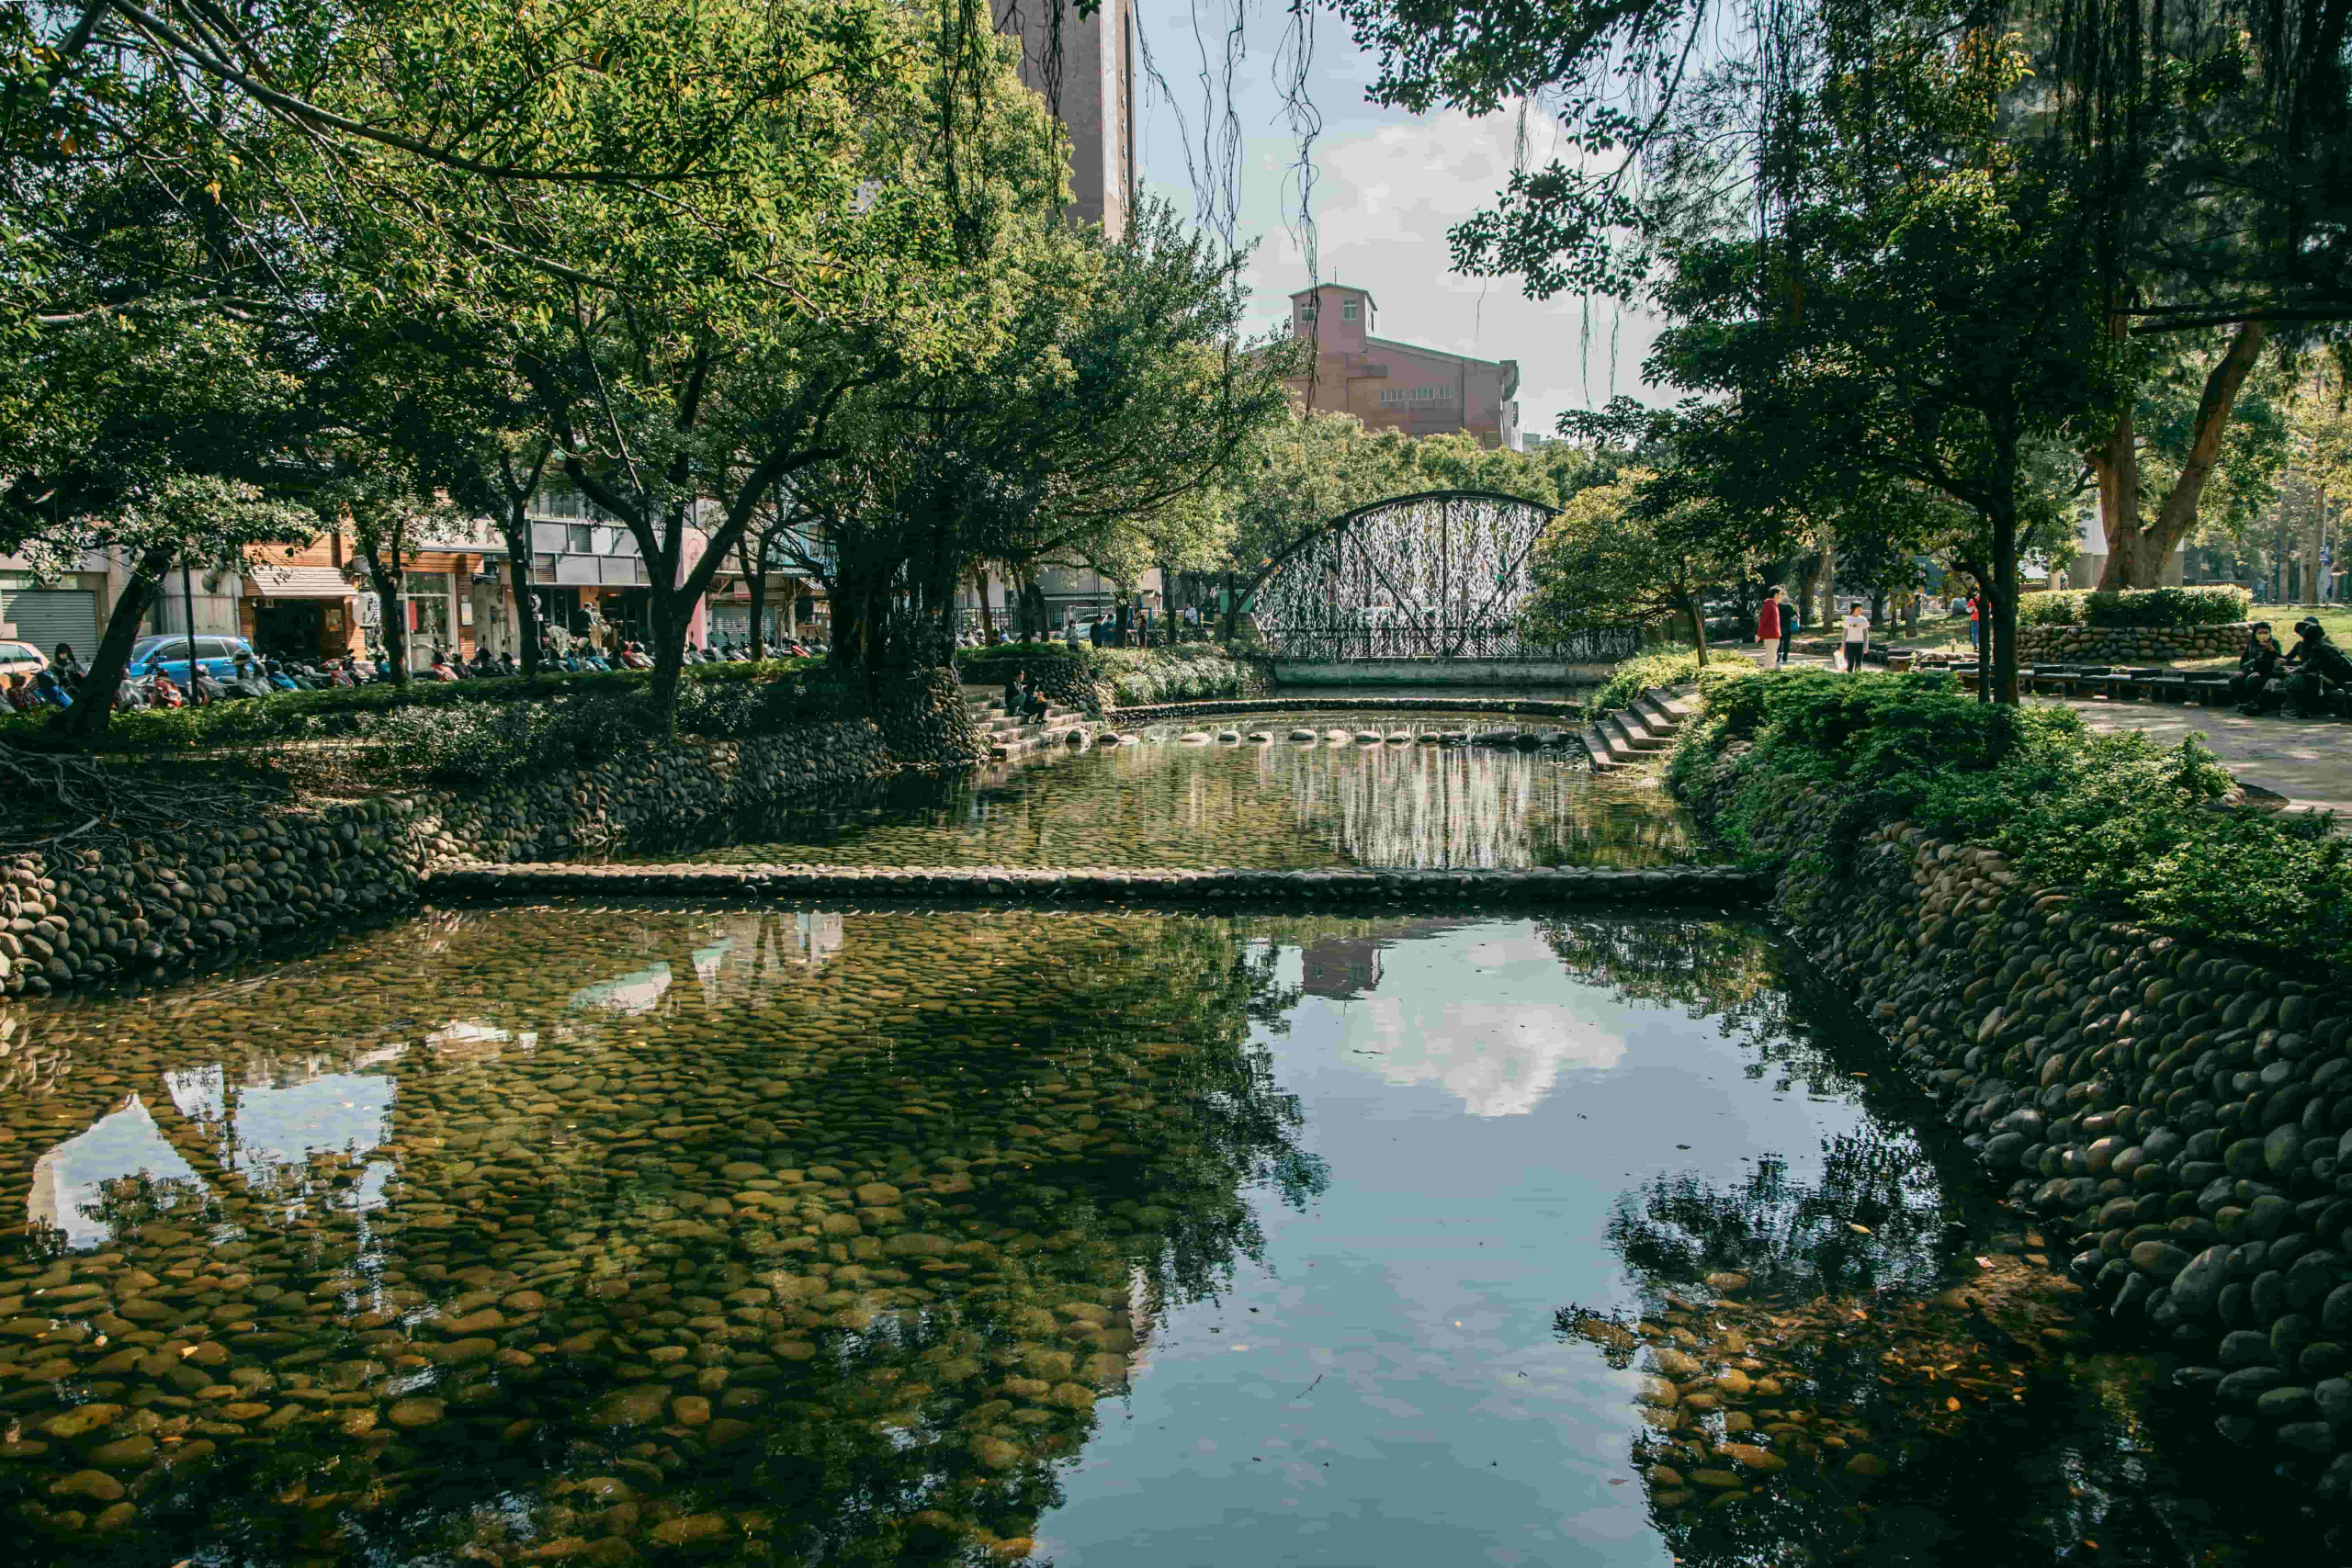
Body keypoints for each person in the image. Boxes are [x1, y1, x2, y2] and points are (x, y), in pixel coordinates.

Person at [2282, 619, 2352, 718]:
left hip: (2338, 680)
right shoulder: (2329, 644)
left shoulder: (2320, 648)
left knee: (2301, 680)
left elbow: (2308, 666)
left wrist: (2292, 671)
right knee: (2310, 677)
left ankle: (2298, 710)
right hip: (2344, 678)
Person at [2231, 623, 2285, 708]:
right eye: (2260, 633)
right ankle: (2243, 702)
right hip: (2251, 670)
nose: (2263, 635)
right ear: (2255, 634)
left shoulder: (2274, 643)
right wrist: (2241, 670)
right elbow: (2244, 658)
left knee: (2253, 680)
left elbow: (2277, 660)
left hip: (2268, 672)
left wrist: (2271, 649)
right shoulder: (2252, 643)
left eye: (2266, 632)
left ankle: (2254, 704)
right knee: (2235, 680)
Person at [1840, 604, 1872, 672]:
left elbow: (1866, 634)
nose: (1860, 610)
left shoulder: (1863, 619)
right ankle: (1849, 676)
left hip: (1860, 643)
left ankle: (1858, 676)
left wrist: (1866, 645)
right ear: (1853, 609)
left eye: (1861, 608)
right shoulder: (1848, 619)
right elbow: (1845, 633)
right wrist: (1843, 644)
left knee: (1859, 662)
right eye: (1858, 608)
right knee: (1850, 662)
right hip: (1849, 643)